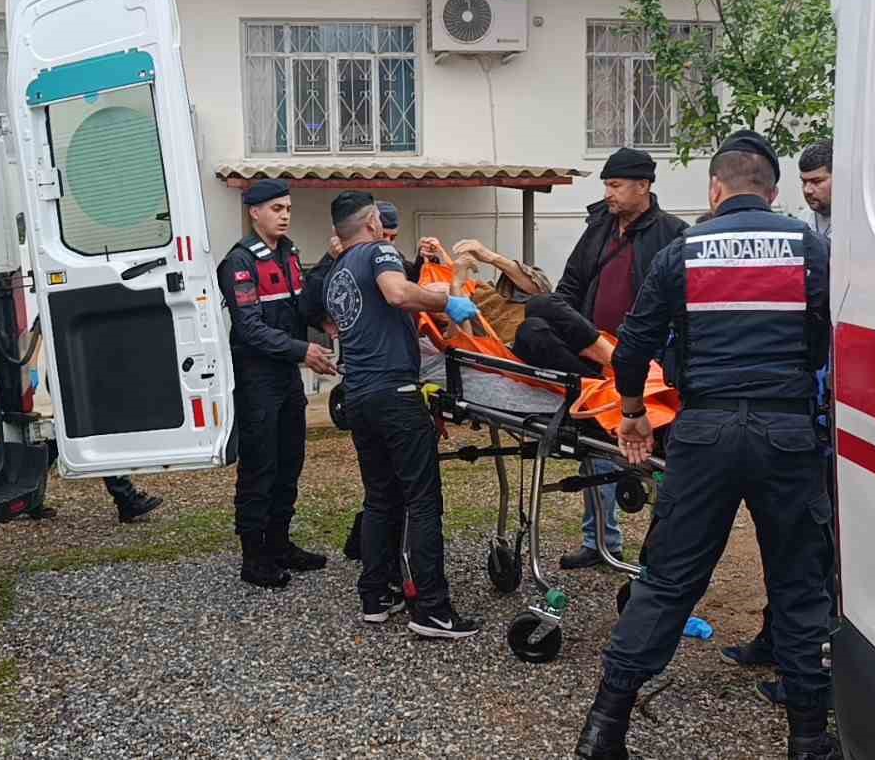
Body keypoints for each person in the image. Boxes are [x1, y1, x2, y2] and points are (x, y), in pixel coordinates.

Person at [573, 131, 838, 760]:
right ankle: (807, 739)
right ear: (773, 193)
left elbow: (633, 345)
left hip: (704, 433)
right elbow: (832, 332)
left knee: (667, 581)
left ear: (715, 190)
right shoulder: (810, 247)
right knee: (801, 585)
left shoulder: (684, 250)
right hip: (787, 433)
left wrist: (633, 413)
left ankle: (604, 728)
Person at [513, 147, 688, 570]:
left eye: (615, 185)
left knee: (662, 465)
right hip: (593, 361)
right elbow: (569, 287)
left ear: (643, 186)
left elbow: (682, 307)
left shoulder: (675, 234)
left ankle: (660, 560)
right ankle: (598, 541)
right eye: (606, 185)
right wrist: (566, 326)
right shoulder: (599, 229)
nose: (608, 194)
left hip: (649, 366)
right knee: (534, 318)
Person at [323, 190, 484, 639]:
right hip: (394, 392)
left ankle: (377, 594)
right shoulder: (379, 251)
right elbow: (396, 293)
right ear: (373, 221)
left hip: (359, 394)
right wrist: (445, 302)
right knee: (423, 500)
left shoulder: (338, 272)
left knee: (380, 498)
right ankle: (431, 610)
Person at [723, 138, 836, 697]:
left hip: (816, 411)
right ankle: (778, 640)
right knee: (787, 541)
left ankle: (810, 674)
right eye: (805, 182)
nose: (810, 191)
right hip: (794, 409)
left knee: (807, 549)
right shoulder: (808, 238)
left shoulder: (836, 242)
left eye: (819, 181)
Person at [217, 180, 340, 589]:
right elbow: (250, 329)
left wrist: (323, 324)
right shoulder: (239, 263)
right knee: (260, 467)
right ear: (254, 212)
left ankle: (280, 544)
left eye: (287, 207)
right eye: (275, 208)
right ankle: (254, 558)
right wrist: (303, 351)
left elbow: (299, 307)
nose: (285, 214)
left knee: (290, 461)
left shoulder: (289, 254)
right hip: (258, 380)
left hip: (286, 375)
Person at [799, 139, 832, 239]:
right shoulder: (803, 219)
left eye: (816, 181)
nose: (807, 190)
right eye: (804, 182)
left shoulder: (858, 222)